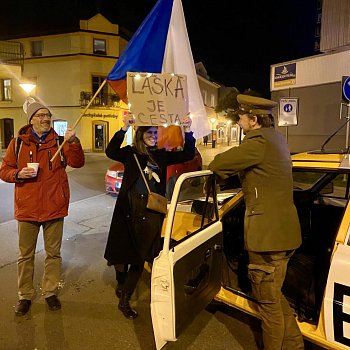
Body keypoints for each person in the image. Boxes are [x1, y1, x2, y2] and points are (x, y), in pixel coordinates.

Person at [208, 94, 304, 350]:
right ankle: (294, 346)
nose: (238, 122)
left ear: (253, 119)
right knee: (275, 297)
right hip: (284, 233)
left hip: (266, 238)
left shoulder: (258, 142)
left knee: (268, 306)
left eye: (241, 117)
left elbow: (219, 163)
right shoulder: (277, 140)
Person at [104, 113, 195, 319]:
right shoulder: (130, 153)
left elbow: (187, 154)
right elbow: (110, 151)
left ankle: (124, 299)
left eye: (155, 132)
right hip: (129, 207)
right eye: (149, 133)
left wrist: (188, 131)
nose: (153, 136)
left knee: (141, 254)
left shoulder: (161, 154)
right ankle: (121, 282)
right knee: (123, 249)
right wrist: (123, 128)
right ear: (140, 134)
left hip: (152, 209)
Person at [0, 101, 85, 316]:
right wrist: (18, 174)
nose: (46, 119)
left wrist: (73, 142)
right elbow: (4, 171)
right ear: (31, 120)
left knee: (53, 254)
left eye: (48, 115)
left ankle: (49, 291)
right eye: (40, 115)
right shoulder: (18, 143)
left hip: (54, 207)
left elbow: (77, 162)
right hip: (27, 207)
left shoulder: (59, 141)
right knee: (25, 255)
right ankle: (25, 295)